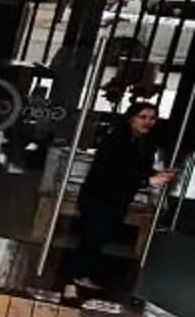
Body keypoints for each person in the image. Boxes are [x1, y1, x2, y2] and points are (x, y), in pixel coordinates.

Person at [62, 100, 163, 302]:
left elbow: (138, 169)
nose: (148, 122)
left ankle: (82, 276)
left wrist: (156, 175)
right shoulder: (116, 140)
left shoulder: (147, 144)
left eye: (152, 118)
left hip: (118, 199)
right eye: (142, 117)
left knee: (100, 239)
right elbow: (111, 172)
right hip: (98, 196)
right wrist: (147, 180)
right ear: (131, 119)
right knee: (91, 237)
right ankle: (69, 283)